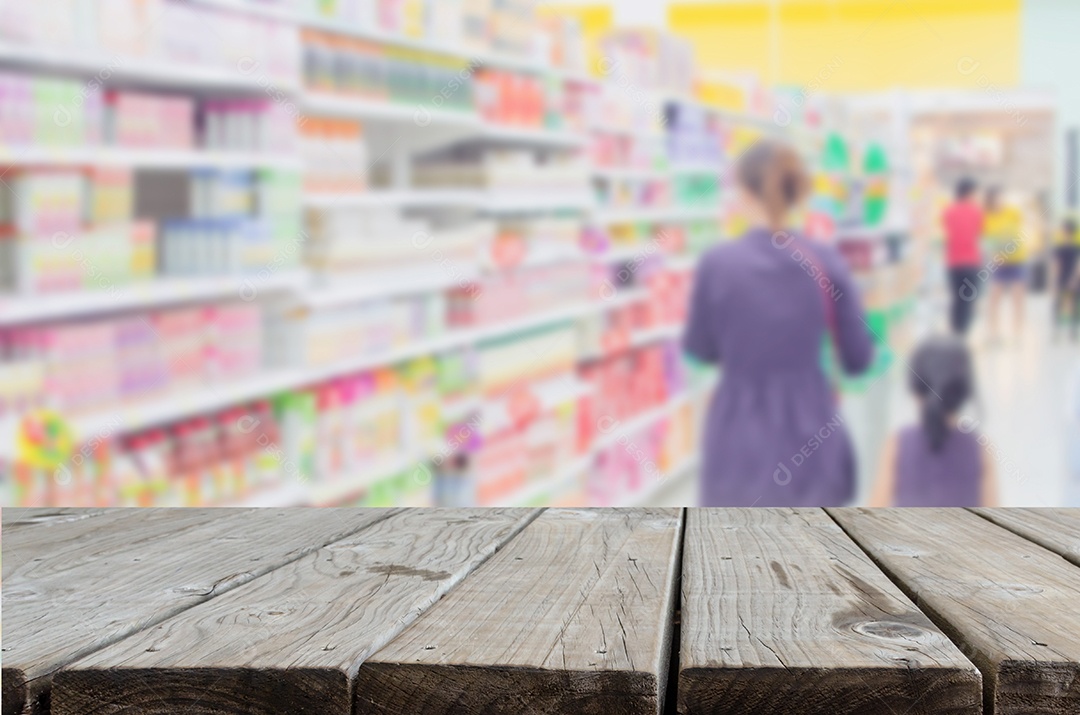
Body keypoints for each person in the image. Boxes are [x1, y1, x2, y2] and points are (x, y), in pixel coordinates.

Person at [682, 140, 873, 507]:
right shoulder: (826, 261)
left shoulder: (717, 264)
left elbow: (700, 349)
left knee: (730, 553)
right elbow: (858, 358)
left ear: (741, 191)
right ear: (795, 191)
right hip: (811, 431)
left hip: (737, 436)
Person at [869, 336, 998, 507]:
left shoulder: (898, 445)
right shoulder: (980, 448)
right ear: (964, 391)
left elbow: (873, 512)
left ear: (914, 389)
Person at [982, 187, 1027, 343]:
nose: (999, 201)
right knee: (994, 298)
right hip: (998, 262)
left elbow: (1020, 231)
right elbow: (986, 240)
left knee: (1018, 298)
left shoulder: (1013, 212)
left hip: (1017, 260)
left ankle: (1018, 334)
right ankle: (993, 334)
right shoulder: (986, 217)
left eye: (1001, 197)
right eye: (996, 198)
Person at [941, 177, 984, 336]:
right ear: (969, 192)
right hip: (971, 261)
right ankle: (963, 333)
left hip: (953, 261)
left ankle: (954, 331)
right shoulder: (976, 211)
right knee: (968, 299)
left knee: (956, 298)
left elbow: (947, 232)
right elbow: (980, 233)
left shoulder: (948, 211)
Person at [1051, 216, 1080, 341]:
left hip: (1070, 278)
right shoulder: (1060, 248)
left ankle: (1071, 331)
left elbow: (1078, 265)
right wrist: (1054, 282)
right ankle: (1057, 331)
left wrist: (1073, 279)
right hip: (1064, 278)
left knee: (1072, 304)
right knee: (1059, 304)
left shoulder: (1074, 248)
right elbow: (1056, 265)